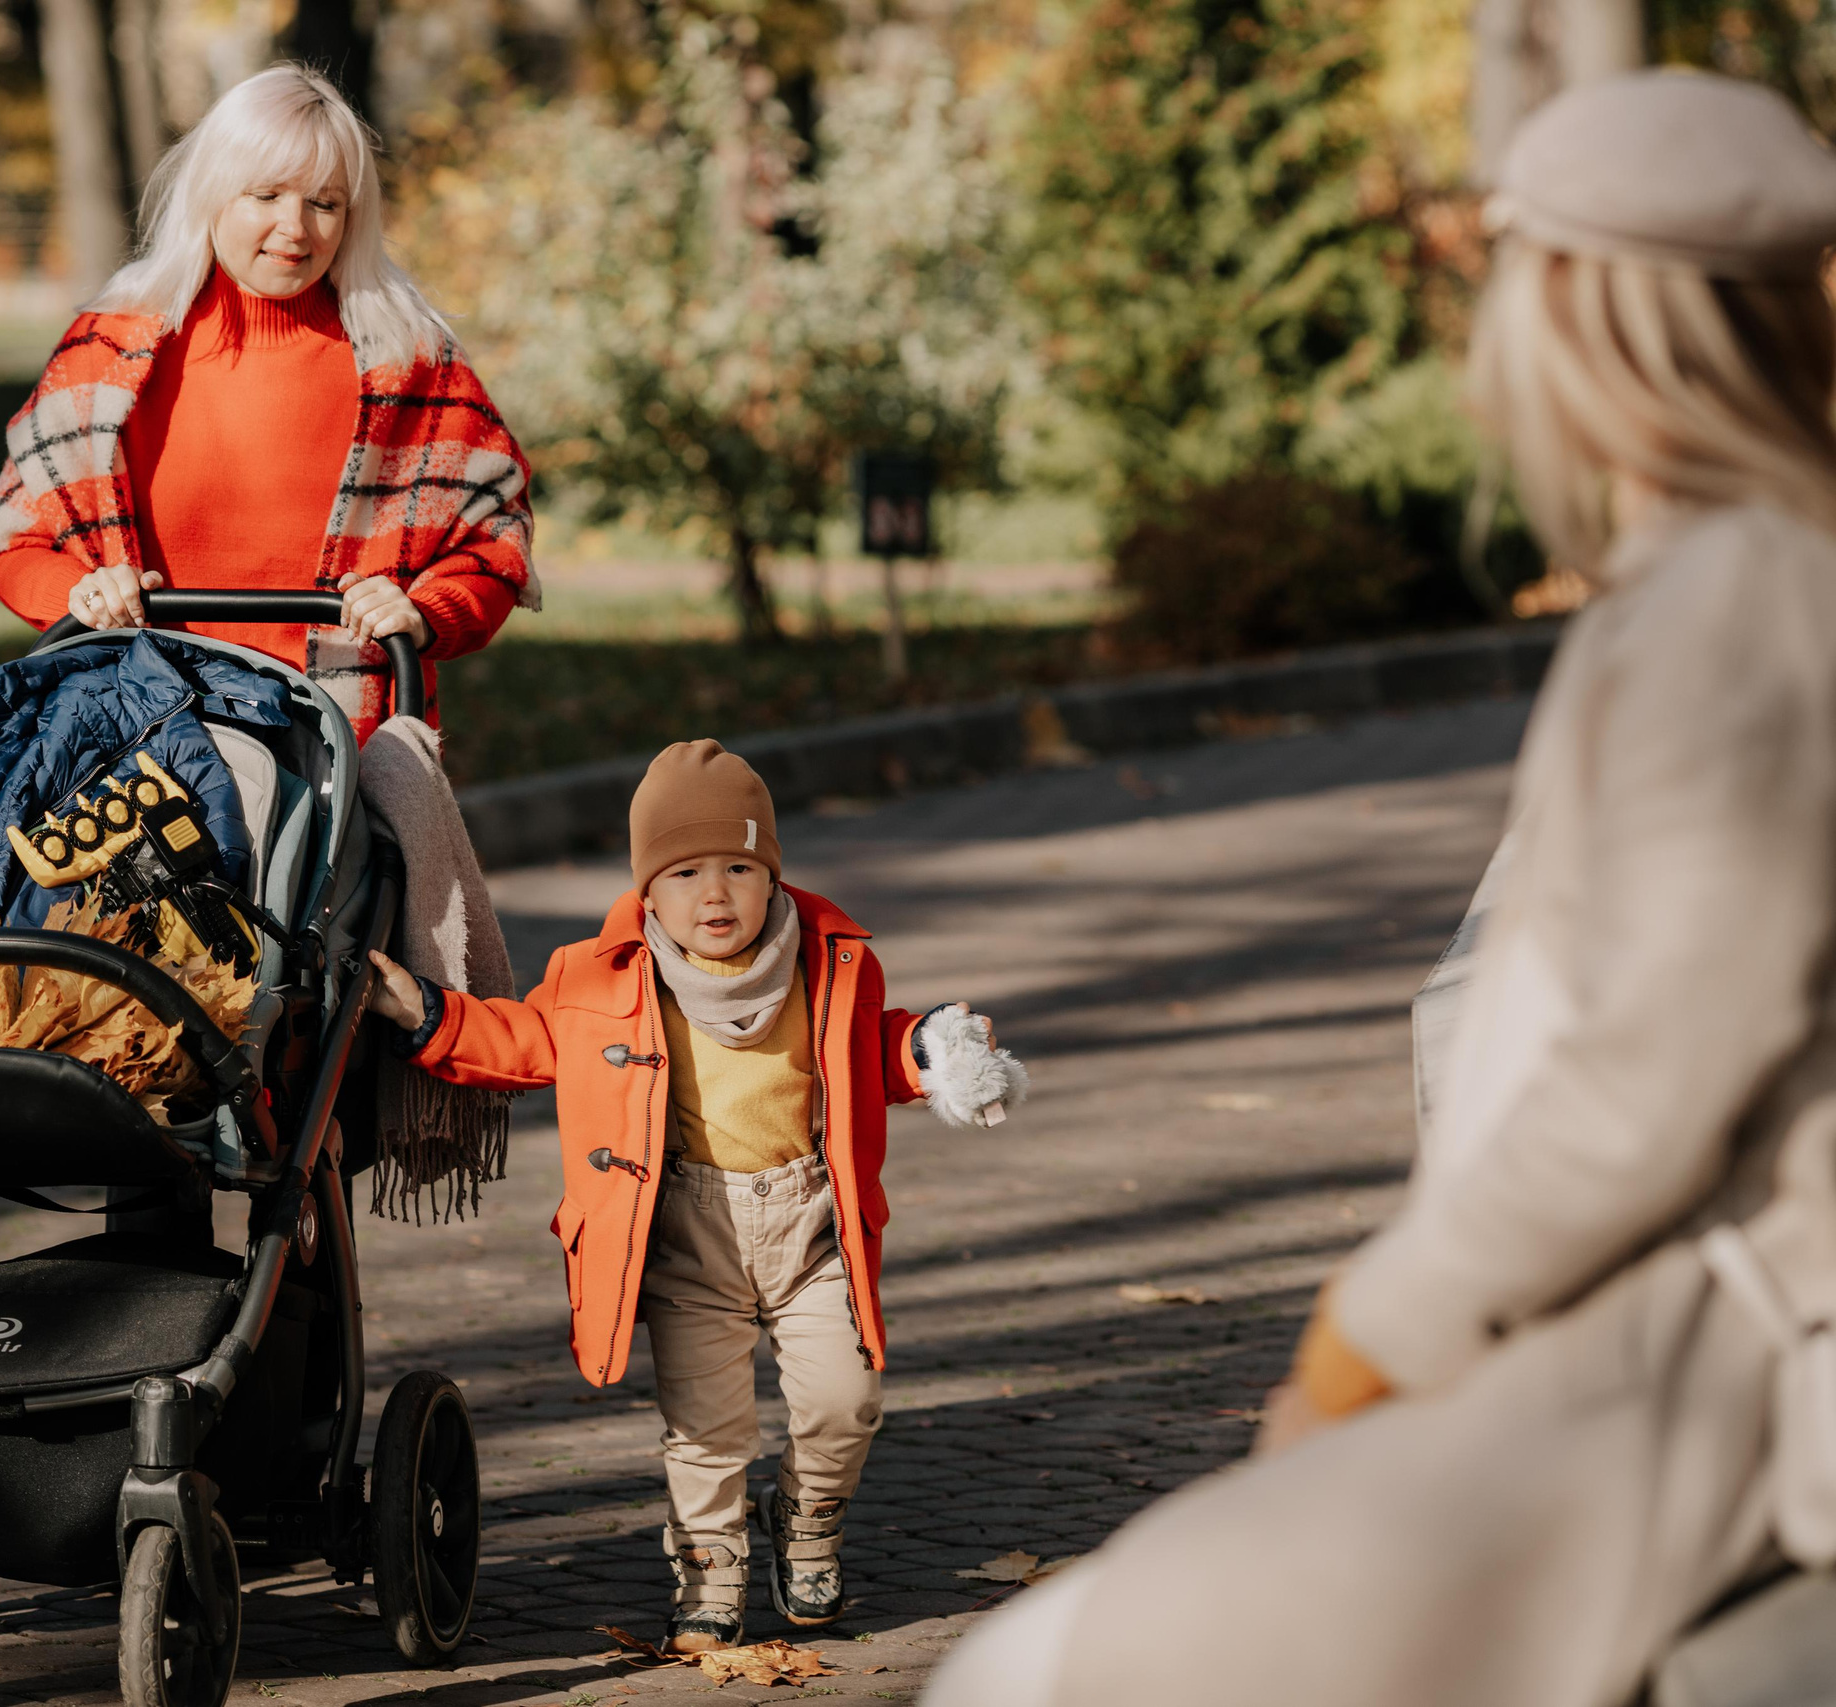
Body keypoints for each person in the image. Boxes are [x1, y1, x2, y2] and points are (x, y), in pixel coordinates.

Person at [923, 70, 1836, 1707]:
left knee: (1051, 1672)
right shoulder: (1751, 582)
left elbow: (1654, 1073)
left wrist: (1373, 1332)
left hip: (1699, 1364)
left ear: (1590, 322)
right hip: (1656, 1334)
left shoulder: (1732, 608)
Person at [362, 741, 1028, 1652]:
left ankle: (806, 1516)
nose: (714, 895)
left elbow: (869, 1047)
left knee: (847, 1399)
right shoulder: (605, 977)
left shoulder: (829, 962)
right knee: (706, 1429)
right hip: (685, 1230)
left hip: (810, 1226)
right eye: (684, 873)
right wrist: (429, 1015)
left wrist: (934, 1051)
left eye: (739, 868)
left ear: (771, 877)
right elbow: (526, 1040)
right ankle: (711, 1567)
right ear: (648, 891)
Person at [0, 64, 537, 743]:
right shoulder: (107, 354)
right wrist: (77, 592)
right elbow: (19, 539)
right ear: (214, 193)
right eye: (266, 195)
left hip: (344, 738)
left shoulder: (410, 362)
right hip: (142, 734)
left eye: (324, 204)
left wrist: (422, 610)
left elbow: (492, 543)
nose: (294, 228)